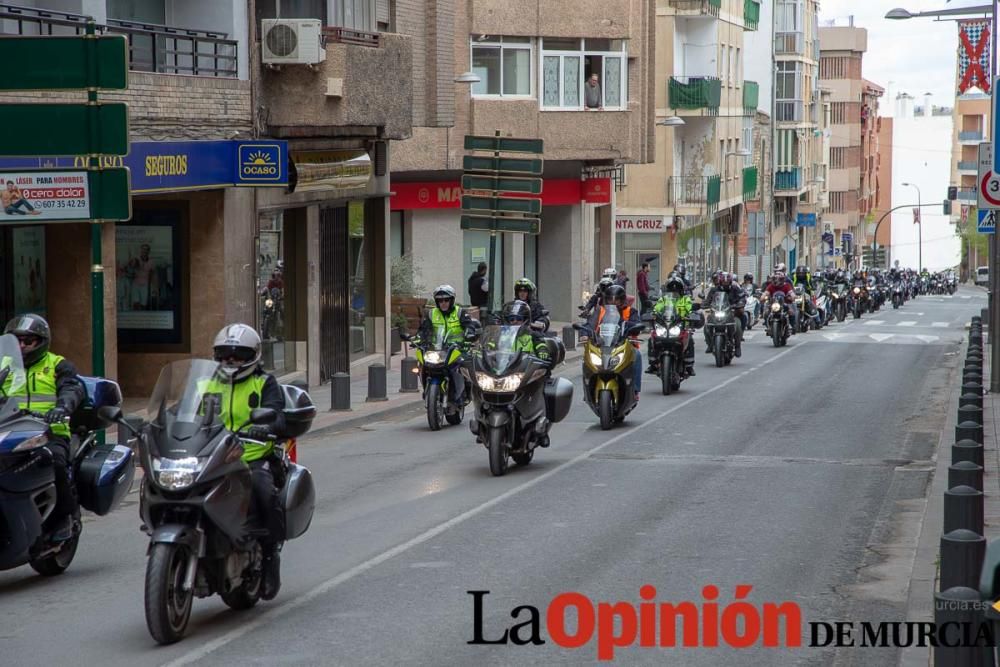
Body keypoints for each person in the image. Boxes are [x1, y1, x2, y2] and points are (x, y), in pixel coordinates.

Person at [3, 314, 86, 542]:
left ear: (41, 342)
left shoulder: (57, 365)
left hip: (49, 432)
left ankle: (63, 517)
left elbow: (72, 388)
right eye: (16, 340)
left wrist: (62, 407)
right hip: (10, 431)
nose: (21, 346)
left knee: (54, 463)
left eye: (27, 341)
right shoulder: (4, 366)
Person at [416, 285, 476, 408]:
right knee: (422, 365)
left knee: (464, 366)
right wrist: (419, 339)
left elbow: (469, 326)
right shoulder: (432, 313)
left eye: (446, 300)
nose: (443, 303)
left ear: (451, 300)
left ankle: (462, 394)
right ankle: (427, 389)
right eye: (440, 300)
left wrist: (469, 334)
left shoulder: (460, 312)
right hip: (436, 349)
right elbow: (424, 330)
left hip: (457, 348)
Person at [590, 284, 643, 399]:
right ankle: (589, 387)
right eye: (610, 299)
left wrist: (626, 324)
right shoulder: (600, 311)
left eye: (617, 300)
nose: (613, 302)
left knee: (637, 355)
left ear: (623, 300)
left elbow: (637, 324)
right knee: (588, 356)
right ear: (606, 300)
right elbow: (589, 324)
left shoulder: (631, 311)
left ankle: (635, 389)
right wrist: (584, 334)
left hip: (624, 344)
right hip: (602, 344)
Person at [648, 273, 696, 377]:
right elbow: (657, 307)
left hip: (681, 326)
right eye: (672, 289)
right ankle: (652, 363)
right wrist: (653, 313)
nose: (674, 291)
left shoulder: (685, 299)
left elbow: (690, 308)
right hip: (665, 325)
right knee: (651, 337)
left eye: (677, 289)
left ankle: (689, 365)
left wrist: (690, 314)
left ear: (681, 289)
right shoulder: (664, 299)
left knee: (690, 339)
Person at [704, 272, 747, 357]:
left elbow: (742, 297)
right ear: (720, 282)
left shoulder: (735, 288)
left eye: (727, 282)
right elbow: (708, 300)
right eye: (724, 282)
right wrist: (704, 303)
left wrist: (740, 303)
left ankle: (737, 346)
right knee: (707, 325)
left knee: (737, 324)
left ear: (730, 282)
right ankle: (709, 344)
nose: (725, 284)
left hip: (731, 313)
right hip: (717, 312)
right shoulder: (714, 290)